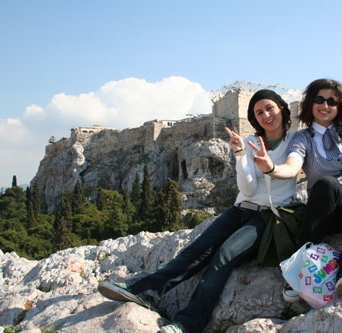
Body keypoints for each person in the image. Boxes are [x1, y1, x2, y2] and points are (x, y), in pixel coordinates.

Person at [97, 89, 299, 333]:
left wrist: (269, 166)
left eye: (270, 108)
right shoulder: (250, 142)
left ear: (282, 108)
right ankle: (144, 290)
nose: (266, 115)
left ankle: (187, 323)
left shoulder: (295, 141)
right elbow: (247, 188)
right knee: (195, 251)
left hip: (268, 216)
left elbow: (291, 168)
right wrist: (240, 155)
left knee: (224, 256)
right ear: (253, 119)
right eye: (258, 112)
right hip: (240, 209)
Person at [249, 79, 342, 299]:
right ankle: (300, 270)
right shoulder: (304, 138)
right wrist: (271, 168)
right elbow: (292, 166)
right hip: (330, 210)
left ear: (340, 107)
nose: (325, 105)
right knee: (326, 184)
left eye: (332, 101)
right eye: (320, 99)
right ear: (311, 103)